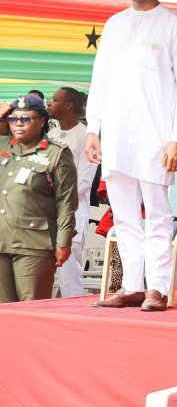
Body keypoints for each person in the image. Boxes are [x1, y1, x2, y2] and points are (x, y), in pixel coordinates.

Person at [89, 0, 177, 312]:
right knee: (124, 215)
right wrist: (93, 129)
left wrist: (175, 138)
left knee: (158, 214)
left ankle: (158, 289)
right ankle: (132, 285)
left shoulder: (175, 26)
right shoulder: (114, 23)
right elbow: (99, 80)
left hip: (155, 137)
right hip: (117, 136)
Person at [0, 94, 78, 302]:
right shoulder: (3, 146)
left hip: (34, 243)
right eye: (13, 119)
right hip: (1, 240)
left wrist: (63, 242)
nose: (18, 124)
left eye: (25, 119)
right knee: (3, 313)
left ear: (41, 120)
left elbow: (66, 202)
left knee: (31, 307)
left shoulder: (57, 153)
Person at [47, 87, 97, 297]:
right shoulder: (51, 134)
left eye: (55, 99)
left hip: (72, 212)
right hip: (46, 212)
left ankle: (73, 314)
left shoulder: (86, 136)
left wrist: (59, 200)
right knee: (44, 271)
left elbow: (84, 182)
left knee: (69, 272)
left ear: (68, 105)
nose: (49, 103)